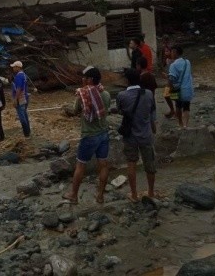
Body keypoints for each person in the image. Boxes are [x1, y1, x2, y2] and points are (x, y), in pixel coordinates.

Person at [63, 66, 111, 204]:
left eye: (84, 77)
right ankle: (100, 196)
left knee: (81, 165)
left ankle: (73, 194)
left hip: (89, 135)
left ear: (90, 79)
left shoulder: (83, 95)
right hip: (103, 133)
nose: (82, 79)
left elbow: (75, 110)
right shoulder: (106, 94)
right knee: (103, 165)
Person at [117, 68, 158, 202]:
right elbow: (152, 113)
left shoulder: (122, 96)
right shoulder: (149, 94)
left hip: (130, 136)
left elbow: (120, 111)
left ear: (127, 80)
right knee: (150, 164)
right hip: (146, 135)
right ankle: (151, 192)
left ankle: (134, 195)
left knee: (131, 164)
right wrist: (153, 127)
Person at [168, 46, 194, 129]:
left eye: (171, 52)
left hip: (178, 90)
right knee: (186, 107)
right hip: (188, 89)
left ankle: (180, 123)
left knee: (178, 106)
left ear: (175, 52)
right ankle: (186, 125)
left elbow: (171, 79)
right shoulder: (187, 62)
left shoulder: (173, 65)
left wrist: (170, 89)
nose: (170, 54)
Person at [10, 61, 30, 137]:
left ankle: (26, 134)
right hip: (24, 97)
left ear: (18, 67)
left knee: (22, 117)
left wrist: (15, 100)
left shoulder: (18, 76)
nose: (13, 68)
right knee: (25, 115)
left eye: (14, 67)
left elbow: (19, 89)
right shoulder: (24, 75)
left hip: (20, 98)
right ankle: (28, 131)